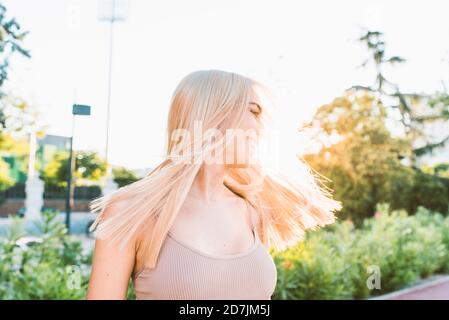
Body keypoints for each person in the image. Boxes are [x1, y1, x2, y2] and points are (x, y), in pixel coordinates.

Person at [86, 69, 341, 299]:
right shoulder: (130, 211)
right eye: (253, 111)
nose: (260, 127)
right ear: (214, 115)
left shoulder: (252, 211)